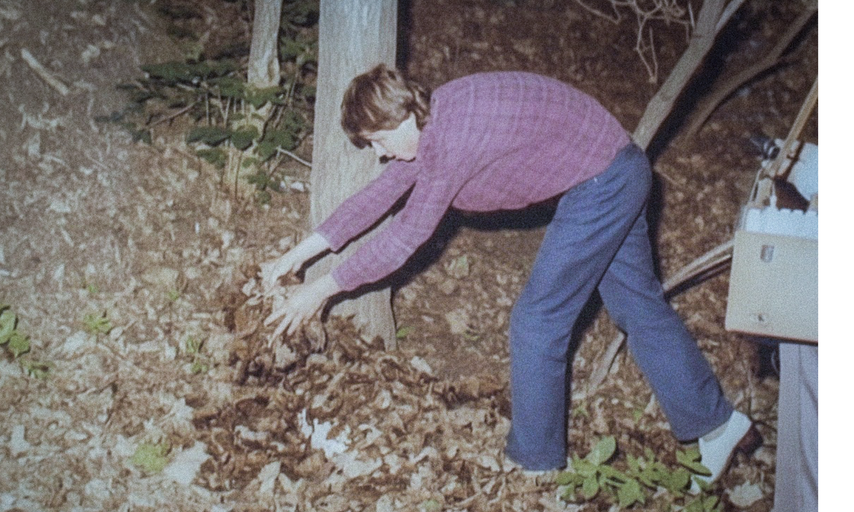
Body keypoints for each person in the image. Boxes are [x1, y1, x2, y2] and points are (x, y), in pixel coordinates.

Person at [262, 64, 759, 483]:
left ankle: (536, 469)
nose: (378, 153)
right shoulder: (432, 118)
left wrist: (323, 291)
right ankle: (719, 426)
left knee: (537, 321)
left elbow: (406, 235)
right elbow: (383, 191)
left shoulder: (449, 139)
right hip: (618, 167)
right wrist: (300, 254)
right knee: (637, 305)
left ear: (402, 117)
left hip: (604, 181)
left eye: (377, 141)